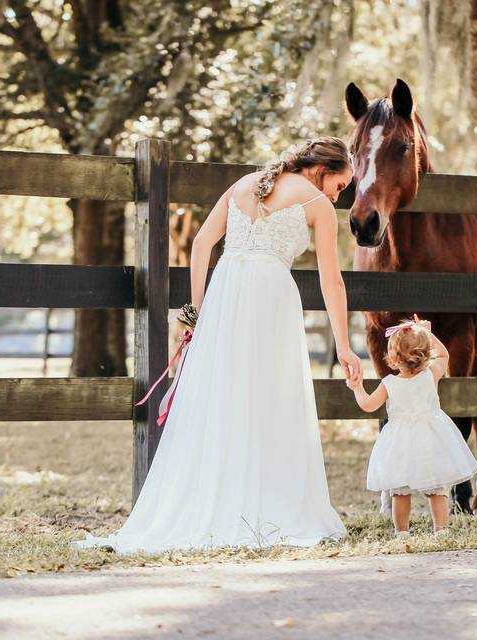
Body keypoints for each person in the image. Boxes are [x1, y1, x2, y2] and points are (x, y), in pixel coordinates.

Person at [75, 137, 361, 553]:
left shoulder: (244, 185)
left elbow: (200, 245)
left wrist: (198, 311)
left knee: (220, 396)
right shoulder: (316, 203)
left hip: (225, 294)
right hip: (270, 299)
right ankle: (263, 503)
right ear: (323, 171)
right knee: (269, 399)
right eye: (341, 185)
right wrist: (345, 345)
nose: (339, 195)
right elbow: (331, 281)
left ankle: (217, 498)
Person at [346, 315, 477, 537]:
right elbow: (444, 354)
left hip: (401, 443)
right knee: (437, 490)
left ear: (394, 358)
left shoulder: (389, 384)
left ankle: (402, 532)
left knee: (401, 492)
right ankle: (441, 530)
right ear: (424, 354)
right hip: (431, 438)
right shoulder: (430, 375)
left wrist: (357, 387)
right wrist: (427, 333)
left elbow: (368, 405)